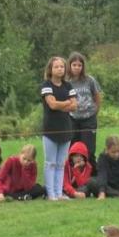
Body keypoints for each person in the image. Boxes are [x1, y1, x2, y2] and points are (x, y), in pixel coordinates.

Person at [39, 55, 76, 201]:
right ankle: (51, 194)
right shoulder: (46, 86)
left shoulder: (68, 86)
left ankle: (59, 193)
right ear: (50, 69)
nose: (60, 69)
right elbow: (51, 105)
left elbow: (75, 106)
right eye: (56, 67)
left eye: (62, 66)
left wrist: (61, 104)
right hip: (50, 129)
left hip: (66, 128)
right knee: (50, 162)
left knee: (61, 163)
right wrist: (66, 103)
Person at [66, 52, 102, 168]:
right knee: (74, 147)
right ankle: (74, 174)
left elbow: (97, 96)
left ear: (83, 67)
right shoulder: (66, 82)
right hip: (73, 118)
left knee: (89, 148)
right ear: (70, 66)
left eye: (79, 65)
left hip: (89, 118)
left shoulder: (89, 80)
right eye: (74, 65)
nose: (77, 67)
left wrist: (95, 112)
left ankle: (92, 173)